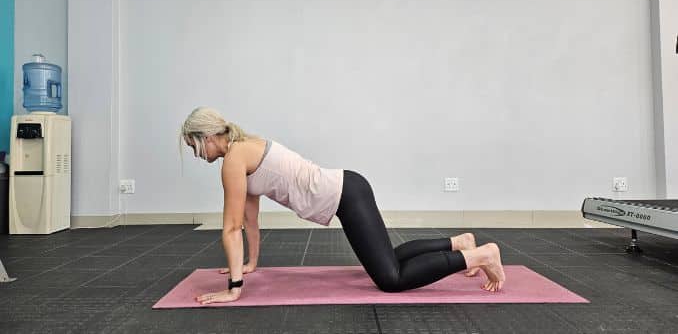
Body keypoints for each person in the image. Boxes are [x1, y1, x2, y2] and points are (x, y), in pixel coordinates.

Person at [180, 107, 505, 305]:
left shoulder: (234, 159)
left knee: (391, 279)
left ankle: (479, 255)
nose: (196, 154)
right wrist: (251, 263)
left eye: (193, 145)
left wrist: (234, 288)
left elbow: (230, 227)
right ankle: (457, 242)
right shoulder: (242, 150)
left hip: (346, 194)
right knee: (388, 260)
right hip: (348, 189)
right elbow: (248, 220)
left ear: (207, 137)